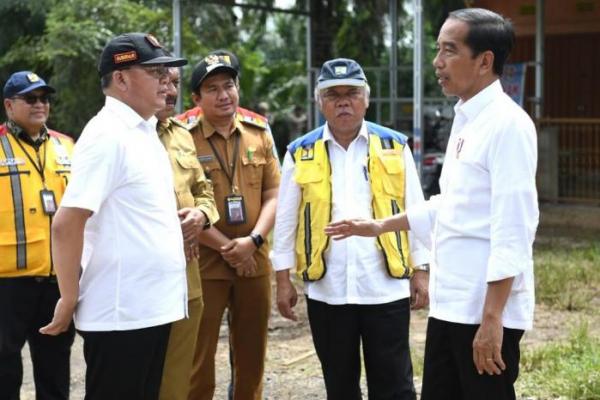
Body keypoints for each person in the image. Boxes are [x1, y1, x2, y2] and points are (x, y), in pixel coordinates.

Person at [325, 9, 539, 400]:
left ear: (485, 61)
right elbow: (451, 206)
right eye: (438, 49)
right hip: (451, 303)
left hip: (482, 310)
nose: (438, 62)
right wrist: (377, 226)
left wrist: (493, 319)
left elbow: (514, 228)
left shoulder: (508, 125)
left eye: (449, 51)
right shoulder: (466, 117)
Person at [39, 33, 189, 400]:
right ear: (121, 79)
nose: (165, 81)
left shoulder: (143, 130)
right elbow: (67, 222)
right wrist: (68, 296)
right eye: (154, 72)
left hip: (152, 306)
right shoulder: (107, 135)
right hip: (123, 312)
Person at [272, 58, 430, 400]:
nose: (343, 101)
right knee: (340, 385)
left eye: (352, 93)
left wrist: (422, 270)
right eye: (333, 95)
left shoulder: (393, 145)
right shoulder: (300, 152)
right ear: (320, 103)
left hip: (385, 288)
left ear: (367, 99)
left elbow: (416, 210)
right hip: (328, 290)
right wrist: (282, 279)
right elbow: (286, 221)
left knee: (395, 385)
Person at [183, 50, 280, 400]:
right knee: (199, 358)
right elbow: (183, 205)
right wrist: (229, 247)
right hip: (205, 264)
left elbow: (274, 193)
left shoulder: (258, 132)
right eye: (212, 89)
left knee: (252, 357)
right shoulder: (182, 137)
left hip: (254, 262)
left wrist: (252, 242)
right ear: (196, 98)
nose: (224, 95)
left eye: (229, 85)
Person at [0, 71, 75, 400]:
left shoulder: (67, 146)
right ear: (9, 105)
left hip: (57, 280)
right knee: (3, 371)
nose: (40, 104)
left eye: (44, 98)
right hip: (7, 283)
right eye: (30, 99)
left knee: (54, 369)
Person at [156, 65, 219, 400]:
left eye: (175, 83)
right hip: (146, 279)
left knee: (179, 377)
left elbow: (204, 191)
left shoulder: (181, 134)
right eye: (162, 81)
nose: (170, 90)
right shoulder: (122, 136)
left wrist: (201, 215)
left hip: (187, 276)